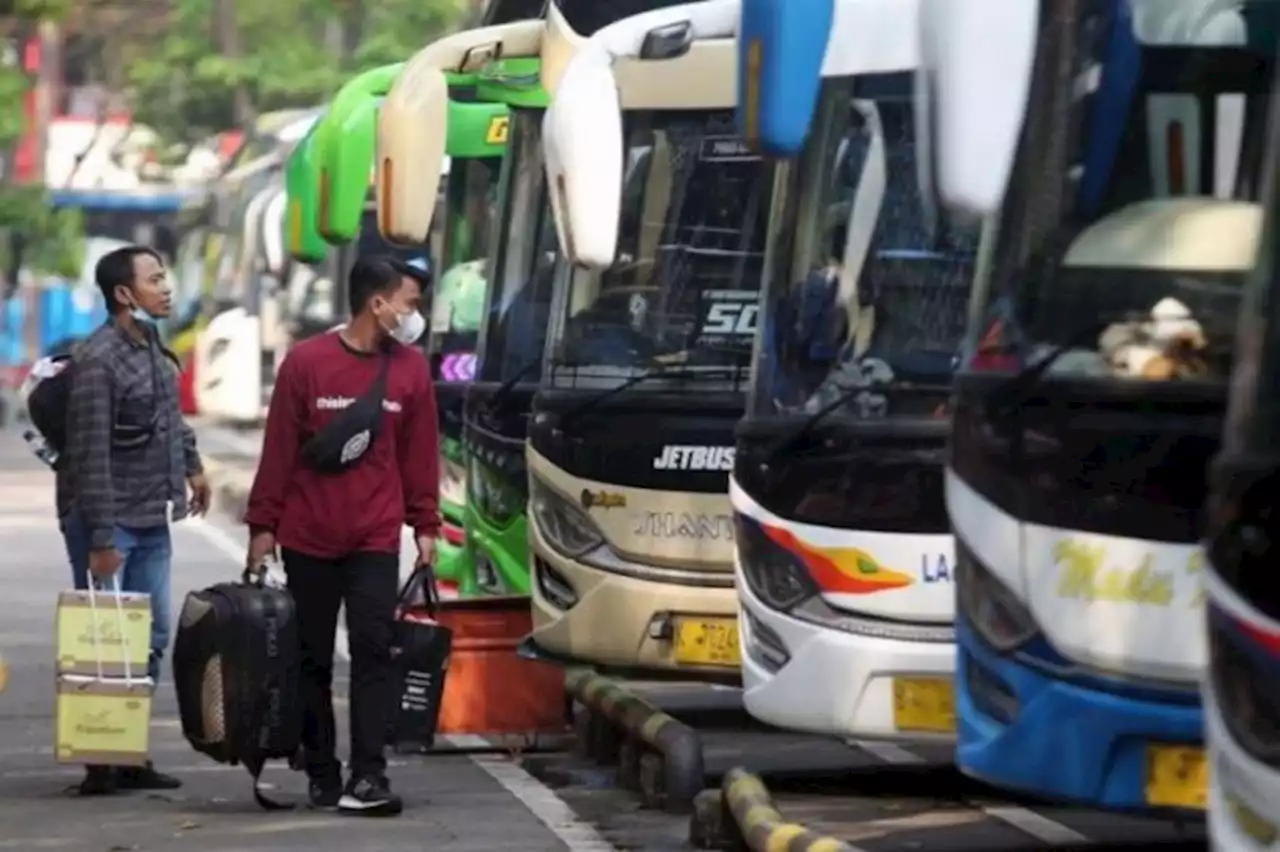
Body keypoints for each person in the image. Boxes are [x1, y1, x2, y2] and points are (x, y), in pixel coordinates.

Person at [244, 256, 440, 816]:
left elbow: (419, 455)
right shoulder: (305, 365)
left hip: (374, 538)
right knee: (309, 659)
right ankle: (322, 769)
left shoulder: (411, 372)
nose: (414, 314)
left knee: (375, 650)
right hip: (308, 537)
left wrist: (425, 525)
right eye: (409, 302)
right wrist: (263, 525)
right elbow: (279, 449)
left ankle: (369, 775)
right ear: (378, 304)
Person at [61, 244, 211, 795]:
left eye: (165, 275)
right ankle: (101, 760)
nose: (166, 286)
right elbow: (90, 455)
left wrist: (193, 468)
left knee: (150, 638)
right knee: (106, 643)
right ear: (124, 294)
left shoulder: (150, 343)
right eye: (155, 278)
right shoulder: (97, 360)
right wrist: (101, 538)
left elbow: (168, 418)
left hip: (151, 516)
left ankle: (128, 751)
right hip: (110, 519)